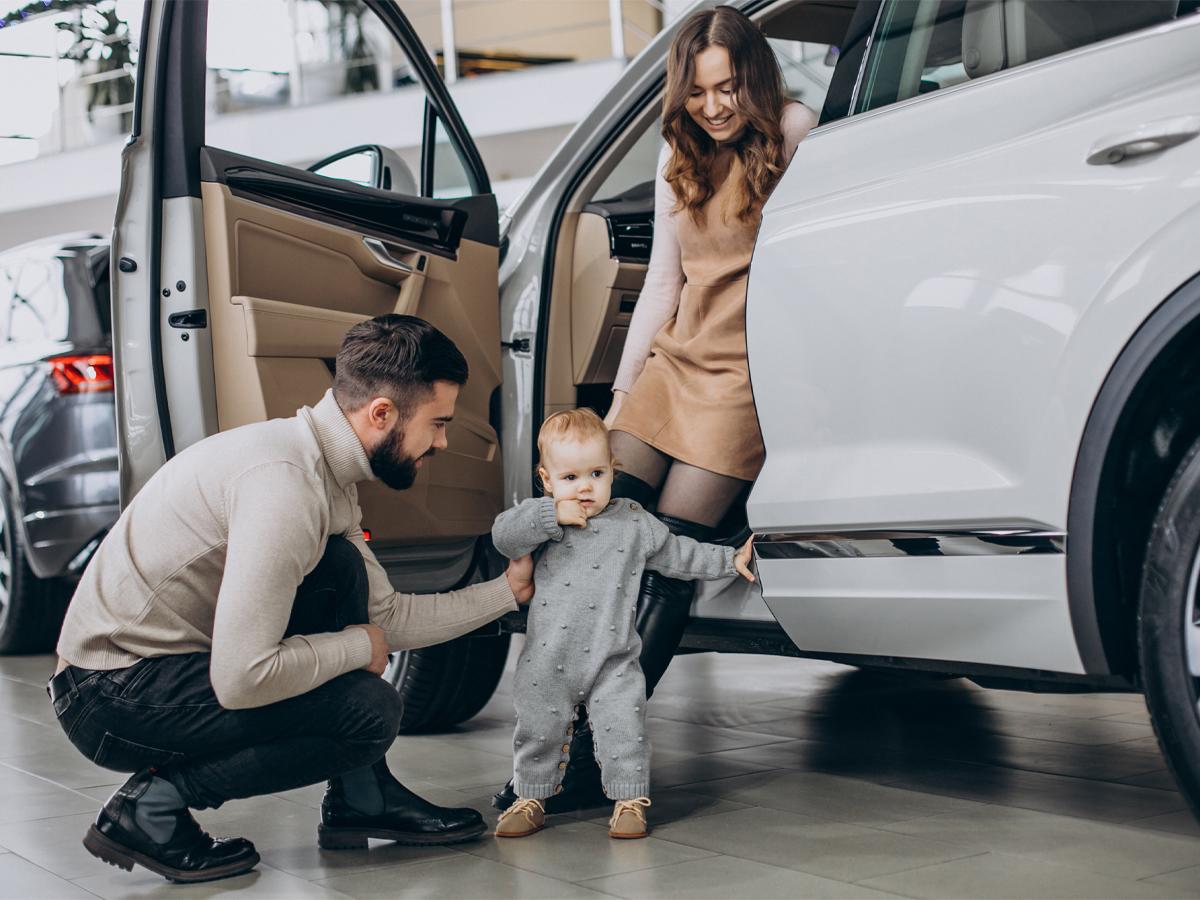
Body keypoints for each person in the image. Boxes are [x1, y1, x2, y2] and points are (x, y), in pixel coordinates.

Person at [49, 314, 535, 884]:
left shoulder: (321, 470)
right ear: (381, 413)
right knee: (368, 711)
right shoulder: (285, 488)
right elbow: (243, 676)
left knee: (340, 570)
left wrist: (509, 591)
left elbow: (389, 617)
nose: (444, 442)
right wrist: (355, 647)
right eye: (438, 423)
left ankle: (363, 795)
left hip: (145, 674)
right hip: (110, 695)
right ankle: (152, 807)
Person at [494, 7, 817, 813]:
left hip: (743, 376)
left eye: (729, 87)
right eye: (700, 91)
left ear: (755, 76)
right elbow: (665, 287)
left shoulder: (795, 131)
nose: (714, 106)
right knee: (588, 534)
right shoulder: (682, 154)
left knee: (665, 565)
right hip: (675, 364)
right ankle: (554, 741)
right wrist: (619, 397)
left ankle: (597, 756)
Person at [489, 410, 754, 839]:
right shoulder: (543, 518)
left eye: (596, 472)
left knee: (624, 730)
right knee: (537, 731)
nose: (585, 487)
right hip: (547, 658)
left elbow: (680, 554)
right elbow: (503, 535)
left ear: (614, 468)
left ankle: (629, 801)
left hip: (614, 658)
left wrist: (729, 559)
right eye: (570, 477)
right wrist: (548, 515)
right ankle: (531, 797)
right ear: (547, 479)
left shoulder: (633, 521)